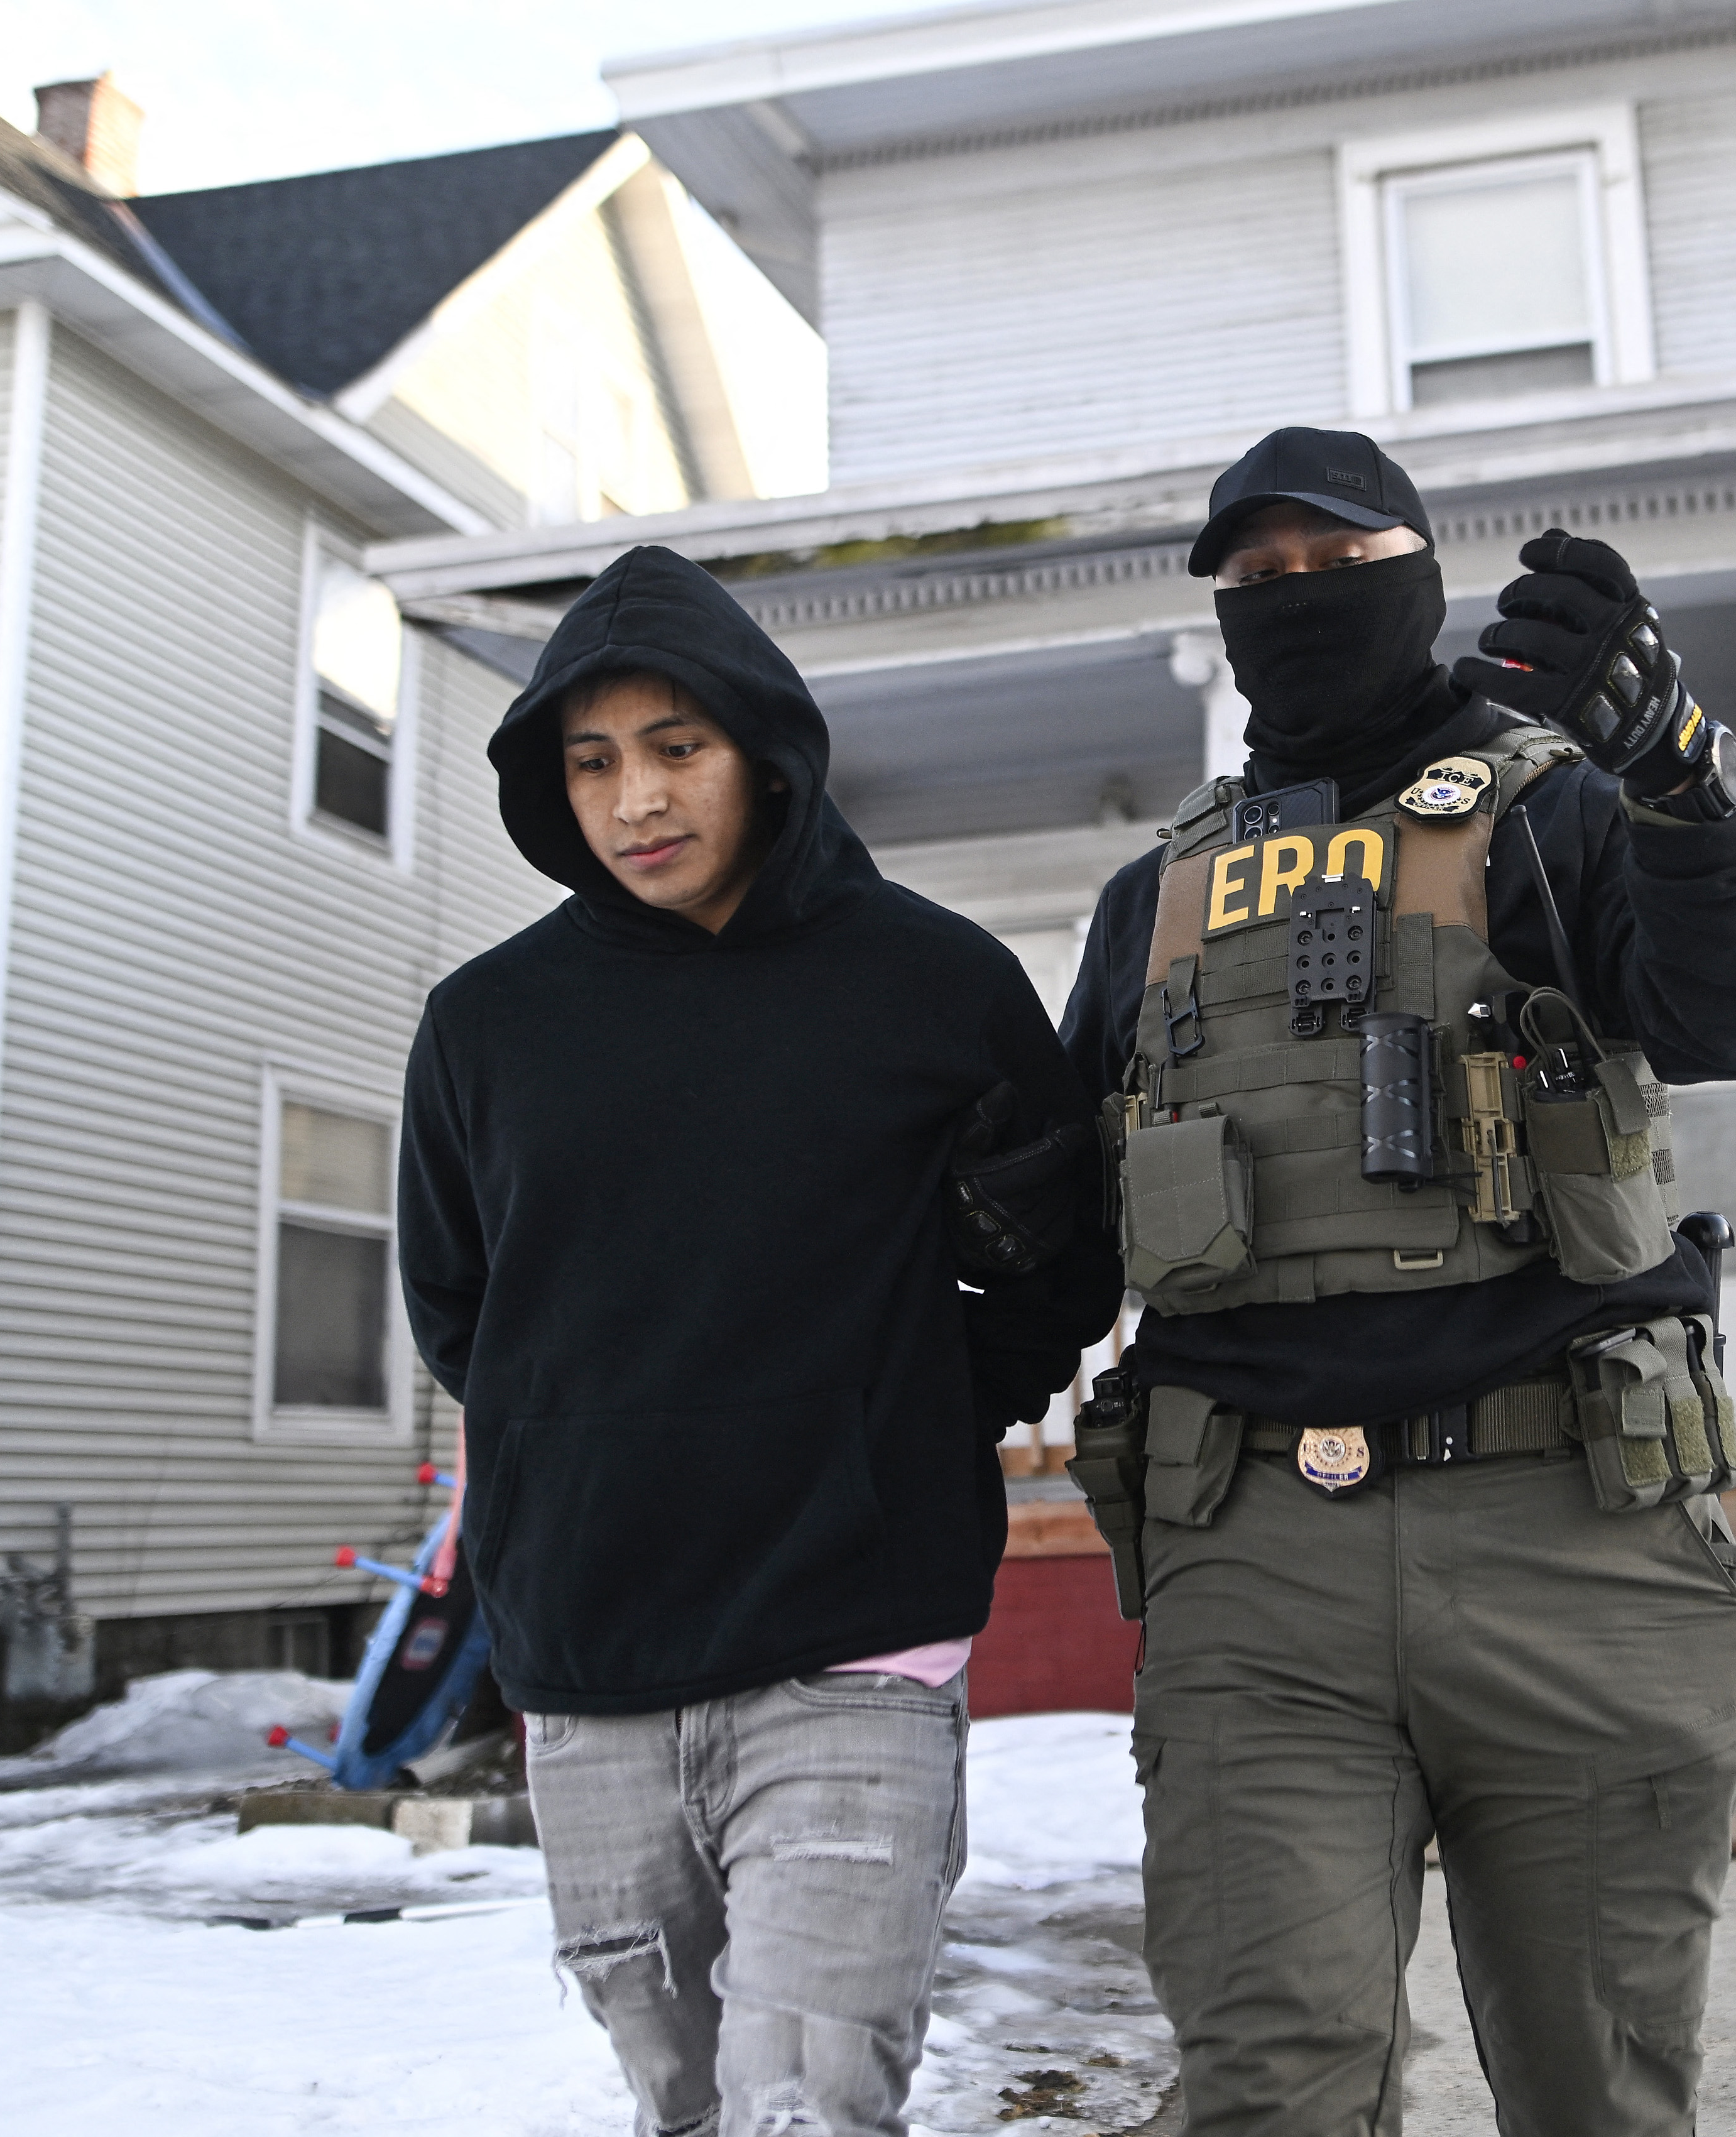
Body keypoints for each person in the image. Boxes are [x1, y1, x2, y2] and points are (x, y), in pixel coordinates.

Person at [1061, 428, 1736, 2137]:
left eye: (1337, 565)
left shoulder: (1557, 810)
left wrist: (1681, 770)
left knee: (1596, 2091)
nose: (1295, 598)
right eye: (1256, 575)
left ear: (1416, 576)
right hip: (1252, 1560)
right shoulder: (1154, 900)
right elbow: (1053, 1222)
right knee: (1269, 2092)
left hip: (1573, 1536)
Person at [398, 545, 1118, 2137]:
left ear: (762, 750)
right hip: (590, 1654)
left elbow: (1064, 1258)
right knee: (684, 2102)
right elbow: (458, 1305)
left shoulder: (931, 981)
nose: (637, 798)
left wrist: (910, 1418)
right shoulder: (486, 1024)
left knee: (805, 2099)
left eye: (677, 748)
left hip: (852, 1642)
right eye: (593, 762)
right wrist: (574, 1442)